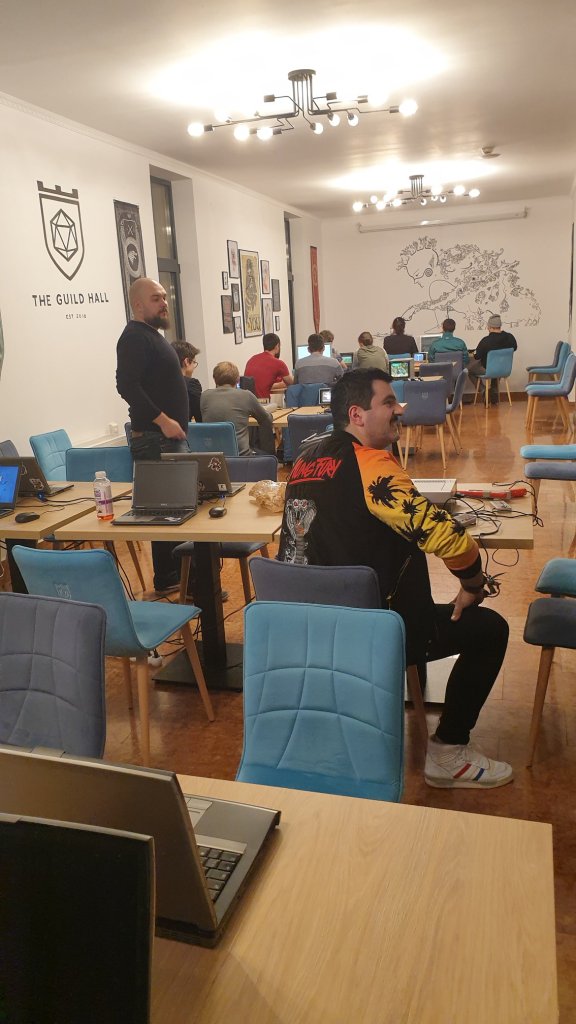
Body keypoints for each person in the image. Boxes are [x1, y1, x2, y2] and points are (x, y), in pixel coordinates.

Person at [278, 368, 512, 790]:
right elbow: (447, 537)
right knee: (490, 629)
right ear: (357, 414)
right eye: (388, 402)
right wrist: (473, 585)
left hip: (309, 632)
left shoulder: (305, 458)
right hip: (374, 632)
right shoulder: (371, 464)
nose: (399, 409)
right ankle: (448, 752)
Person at [116, 277, 189, 594]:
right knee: (166, 510)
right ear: (138, 304)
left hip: (165, 437)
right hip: (155, 437)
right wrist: (163, 420)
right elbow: (126, 385)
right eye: (156, 298)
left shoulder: (151, 336)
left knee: (174, 508)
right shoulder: (134, 337)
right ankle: (169, 578)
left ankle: (174, 576)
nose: (164, 303)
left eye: (164, 297)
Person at [200, 361, 275, 456]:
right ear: (238, 379)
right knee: (269, 456)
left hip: (213, 458)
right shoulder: (246, 395)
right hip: (240, 457)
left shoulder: (204, 396)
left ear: (214, 379)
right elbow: (266, 420)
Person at [467, 314, 517, 404]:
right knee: (496, 369)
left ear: (490, 327)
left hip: (489, 369)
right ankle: (493, 393)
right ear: (500, 325)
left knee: (470, 371)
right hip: (504, 369)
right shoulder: (510, 337)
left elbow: (477, 356)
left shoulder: (486, 340)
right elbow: (515, 348)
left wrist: (474, 352)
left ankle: (483, 390)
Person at [244, 334, 293, 399]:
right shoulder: (279, 363)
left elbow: (260, 384)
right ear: (277, 346)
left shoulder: (252, 359)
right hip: (263, 402)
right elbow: (290, 383)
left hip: (248, 401)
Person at [172, 340, 202, 421]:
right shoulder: (191, 384)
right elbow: (200, 417)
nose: (194, 367)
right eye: (194, 362)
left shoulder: (158, 382)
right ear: (186, 362)